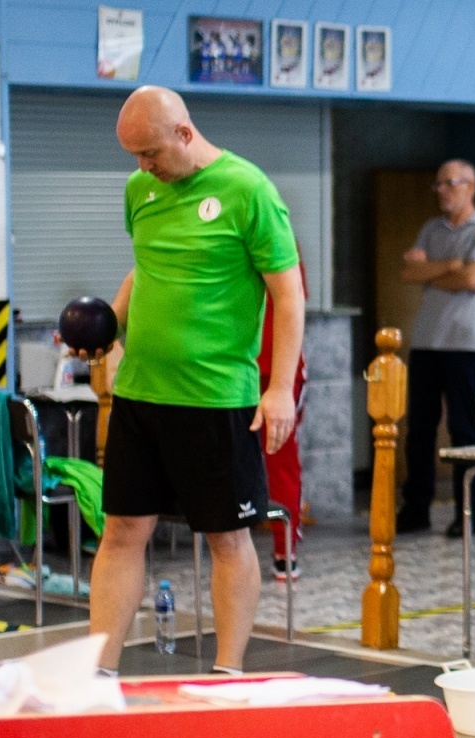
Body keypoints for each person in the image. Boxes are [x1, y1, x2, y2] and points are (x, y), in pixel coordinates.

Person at [75, 86, 304, 676]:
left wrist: (279, 389)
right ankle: (100, 671)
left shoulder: (248, 190)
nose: (143, 167)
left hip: (214, 399)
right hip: (140, 393)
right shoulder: (140, 190)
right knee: (122, 529)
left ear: (184, 132)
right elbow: (144, 267)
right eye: (134, 157)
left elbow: (287, 291)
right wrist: (109, 327)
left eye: (150, 153)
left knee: (227, 538)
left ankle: (228, 672)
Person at [396, 159, 475, 537]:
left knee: (462, 428)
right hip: (428, 342)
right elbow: (409, 273)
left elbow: (473, 278)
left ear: (470, 186)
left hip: (466, 343)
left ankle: (467, 513)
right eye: (438, 184)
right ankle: (416, 510)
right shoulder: (431, 228)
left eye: (449, 183)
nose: (442, 190)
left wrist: (440, 270)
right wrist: (452, 266)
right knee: (420, 430)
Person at [259, 250, 308, 579]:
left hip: (245, 366)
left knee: (278, 458)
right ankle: (284, 550)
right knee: (281, 458)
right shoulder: (281, 241)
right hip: (269, 367)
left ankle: (284, 547)